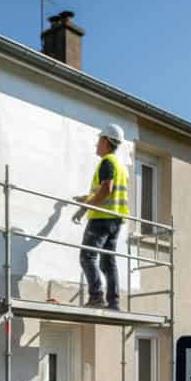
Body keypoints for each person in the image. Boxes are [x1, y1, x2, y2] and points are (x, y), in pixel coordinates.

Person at [72, 123, 130, 309]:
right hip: (116, 219)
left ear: (105, 141)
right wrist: (86, 198)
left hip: (101, 218)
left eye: (99, 140)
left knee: (87, 256)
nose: (96, 144)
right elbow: (108, 191)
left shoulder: (107, 162)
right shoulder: (121, 166)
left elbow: (106, 189)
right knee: (108, 262)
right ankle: (114, 302)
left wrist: (86, 206)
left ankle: (96, 296)